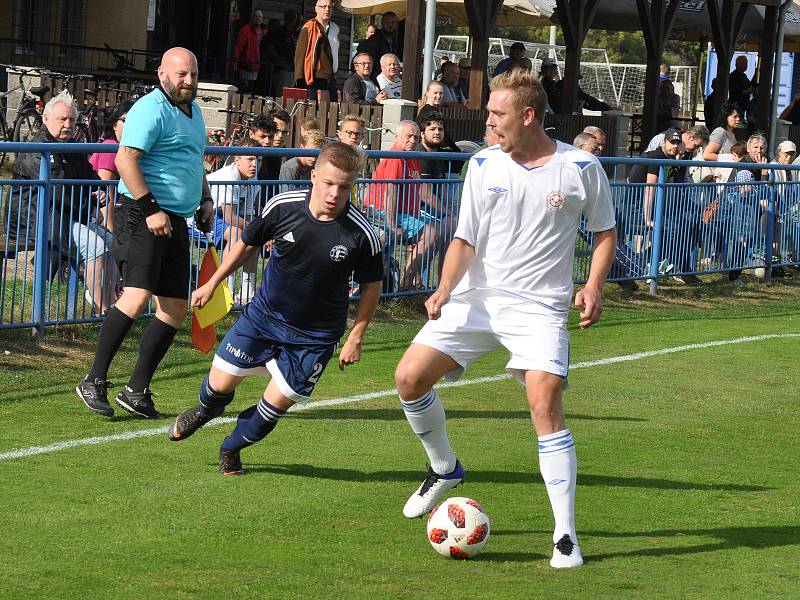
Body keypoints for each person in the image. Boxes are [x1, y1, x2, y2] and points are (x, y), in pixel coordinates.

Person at [394, 68, 616, 570]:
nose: (489, 121)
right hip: (477, 299)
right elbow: (464, 238)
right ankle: (444, 468)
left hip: (539, 308)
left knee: (545, 404)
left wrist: (593, 285)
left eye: (497, 113)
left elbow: (604, 232)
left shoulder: (580, 168)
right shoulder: (483, 164)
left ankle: (565, 536)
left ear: (528, 115)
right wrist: (445, 287)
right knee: (408, 377)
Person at [167, 143, 384, 476]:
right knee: (217, 388)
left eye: (344, 187)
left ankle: (232, 446)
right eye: (328, 183)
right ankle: (205, 411)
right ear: (313, 176)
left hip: (315, 336)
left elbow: (372, 286)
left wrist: (357, 335)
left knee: (271, 411)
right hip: (264, 318)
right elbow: (246, 244)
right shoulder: (283, 207)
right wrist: (213, 284)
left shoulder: (361, 233)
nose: (334, 193)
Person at [76, 47, 213, 419]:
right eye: (181, 74)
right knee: (136, 298)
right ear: (162, 74)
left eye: (193, 75)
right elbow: (125, 160)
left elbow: (192, 160)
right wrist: (152, 208)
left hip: (176, 218)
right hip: (142, 213)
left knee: (174, 309)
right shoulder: (151, 108)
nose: (188, 81)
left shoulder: (195, 112)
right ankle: (94, 380)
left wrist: (204, 201)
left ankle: (137, 390)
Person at [13, 95, 115, 316]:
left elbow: (91, 177)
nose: (67, 125)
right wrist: (91, 203)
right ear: (46, 118)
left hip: (67, 217)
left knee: (112, 243)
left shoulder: (72, 148)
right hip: (40, 220)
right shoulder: (37, 150)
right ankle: (101, 311)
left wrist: (100, 192)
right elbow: (59, 192)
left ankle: (113, 309)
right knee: (95, 247)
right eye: (62, 119)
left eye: (71, 120)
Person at [366, 121, 452, 289]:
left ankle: (417, 281)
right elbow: (391, 191)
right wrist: (391, 225)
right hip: (383, 212)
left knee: (439, 231)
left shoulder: (413, 157)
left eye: (415, 136)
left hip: (405, 214)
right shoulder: (397, 156)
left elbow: (421, 192)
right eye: (408, 136)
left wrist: (447, 212)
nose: (413, 140)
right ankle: (406, 283)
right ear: (397, 137)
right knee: (431, 232)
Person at [206, 138, 261, 304]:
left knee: (255, 236)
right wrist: (256, 227)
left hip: (225, 219)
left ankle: (247, 291)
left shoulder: (253, 179)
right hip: (203, 216)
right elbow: (230, 216)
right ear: (237, 159)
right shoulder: (229, 176)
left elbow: (249, 215)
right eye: (250, 159)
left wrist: (259, 230)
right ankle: (226, 289)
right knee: (237, 233)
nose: (255, 164)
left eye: (258, 159)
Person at [294, 0, 339, 101]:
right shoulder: (309, 27)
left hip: (330, 76)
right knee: (312, 108)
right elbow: (300, 55)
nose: (327, 9)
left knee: (330, 108)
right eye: (323, 7)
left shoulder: (335, 28)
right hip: (313, 77)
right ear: (316, 9)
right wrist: (300, 79)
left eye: (330, 7)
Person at [260, 11, 299, 96]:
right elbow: (270, 50)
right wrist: (281, 61)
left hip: (292, 69)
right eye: (290, 17)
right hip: (281, 70)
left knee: (290, 95)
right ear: (285, 19)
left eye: (294, 18)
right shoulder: (279, 33)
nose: (292, 20)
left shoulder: (293, 34)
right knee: (281, 94)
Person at [356, 11, 402, 80]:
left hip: (390, 77)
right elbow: (369, 59)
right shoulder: (375, 39)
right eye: (387, 22)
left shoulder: (396, 39)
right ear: (382, 23)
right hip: (378, 78)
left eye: (393, 22)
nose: (390, 25)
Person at [232, 9, 264, 93]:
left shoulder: (263, 32)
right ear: (252, 18)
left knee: (253, 89)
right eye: (256, 16)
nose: (258, 19)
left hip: (258, 66)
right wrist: (235, 60)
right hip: (246, 65)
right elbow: (238, 46)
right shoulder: (245, 30)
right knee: (244, 88)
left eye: (260, 17)